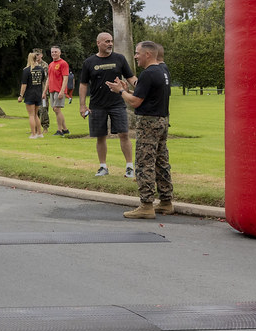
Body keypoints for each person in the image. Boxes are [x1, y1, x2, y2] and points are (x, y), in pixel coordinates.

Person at [106, 41, 173, 219]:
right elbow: (145, 93)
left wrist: (120, 91)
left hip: (149, 123)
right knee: (161, 161)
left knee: (145, 163)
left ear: (148, 55)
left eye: (137, 53)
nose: (135, 56)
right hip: (162, 120)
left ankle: (146, 205)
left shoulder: (148, 73)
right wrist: (128, 90)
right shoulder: (162, 70)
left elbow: (136, 102)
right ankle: (166, 201)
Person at [79, 32, 136, 178]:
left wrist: (142, 87)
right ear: (98, 43)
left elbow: (131, 77)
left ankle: (130, 167)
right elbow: (83, 84)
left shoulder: (119, 59)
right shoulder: (89, 62)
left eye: (111, 41)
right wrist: (82, 105)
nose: (110, 44)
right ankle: (103, 167)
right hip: (97, 105)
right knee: (100, 136)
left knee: (124, 134)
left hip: (117, 103)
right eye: (106, 41)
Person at [18, 52, 46, 139]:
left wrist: (21, 95)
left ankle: (33, 134)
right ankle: (40, 133)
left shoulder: (26, 70)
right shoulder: (41, 69)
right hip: (38, 94)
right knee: (36, 115)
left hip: (30, 94)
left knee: (31, 115)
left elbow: (24, 84)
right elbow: (42, 81)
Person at [47, 46, 71, 136]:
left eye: (55, 52)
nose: (53, 53)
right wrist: (45, 91)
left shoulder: (63, 63)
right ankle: (65, 129)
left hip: (59, 90)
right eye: (52, 52)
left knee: (57, 109)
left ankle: (59, 130)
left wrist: (62, 91)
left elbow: (65, 78)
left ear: (60, 53)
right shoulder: (51, 64)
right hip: (52, 90)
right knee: (56, 109)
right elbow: (48, 79)